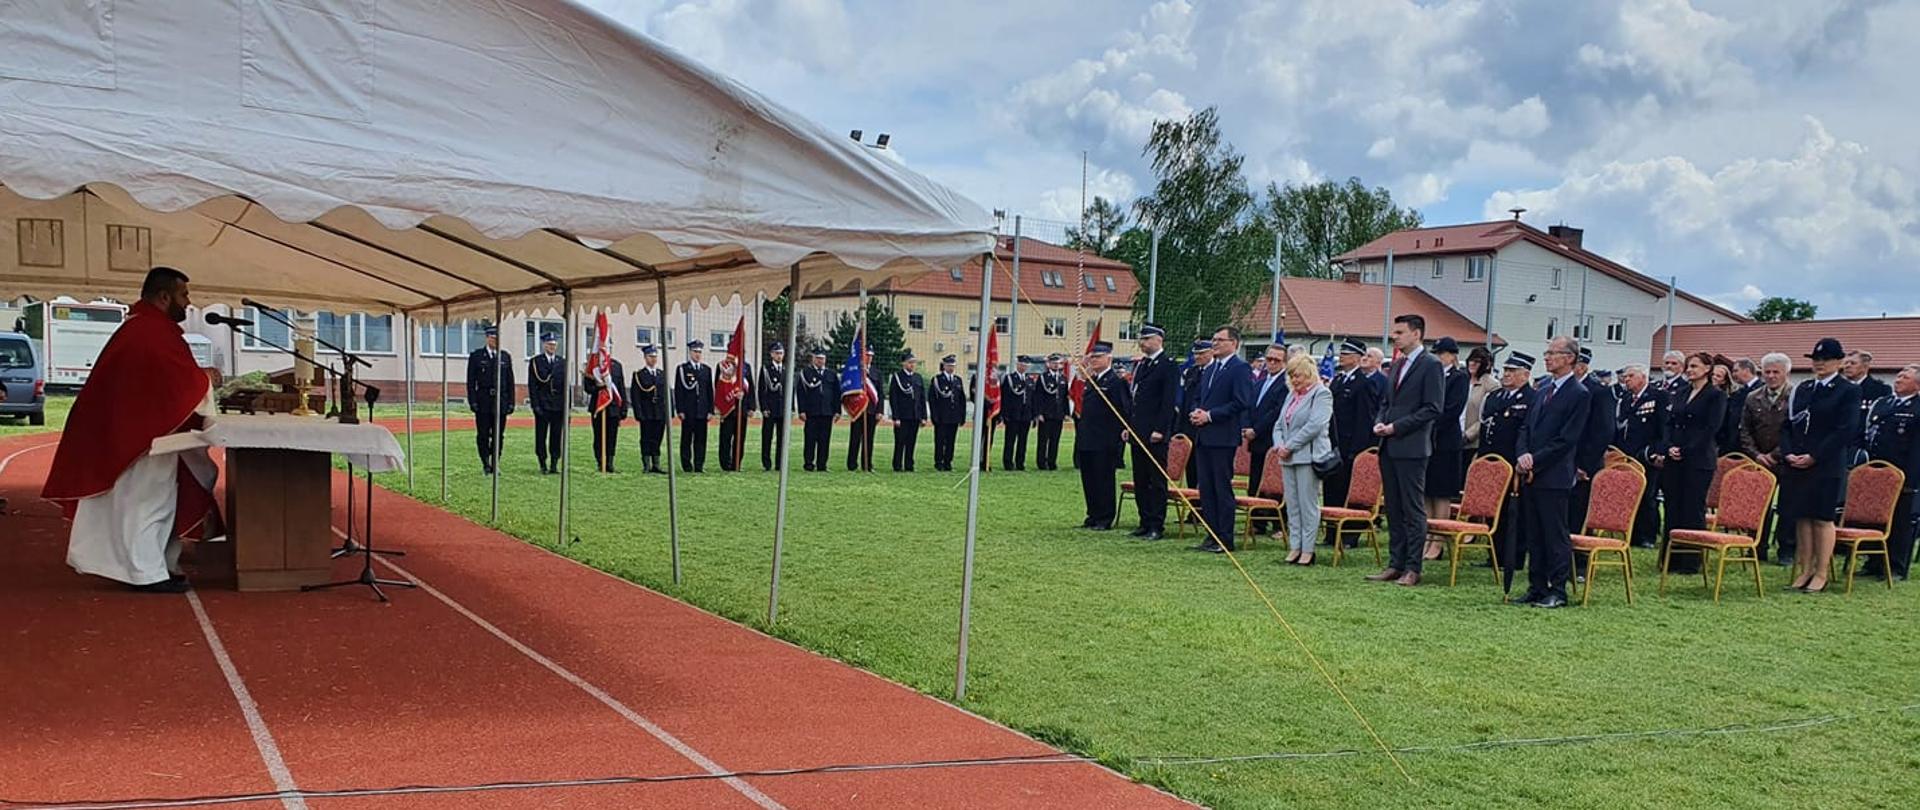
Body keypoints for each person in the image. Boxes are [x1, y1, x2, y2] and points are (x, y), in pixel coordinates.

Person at [44, 267, 220, 593]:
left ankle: (159, 564)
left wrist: (197, 378)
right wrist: (206, 378)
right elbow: (176, 383)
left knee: (156, 499)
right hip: (142, 438)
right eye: (184, 295)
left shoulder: (146, 329)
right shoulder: (150, 333)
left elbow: (166, 380)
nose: (188, 302)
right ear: (164, 296)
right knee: (147, 502)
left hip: (140, 432)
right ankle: (145, 573)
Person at [1512, 336, 1592, 609]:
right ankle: (1536, 586)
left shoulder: (1578, 394)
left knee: (1554, 533)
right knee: (1534, 532)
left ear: (1569, 358)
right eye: (1546, 352)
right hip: (1531, 472)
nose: (1546, 357)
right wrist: (1522, 454)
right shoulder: (1543, 389)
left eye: (1553, 353)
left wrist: (1535, 459)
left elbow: (1567, 439)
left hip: (1554, 474)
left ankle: (1557, 589)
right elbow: (1525, 428)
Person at [1782, 339, 1864, 592]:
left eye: (1825, 359)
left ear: (1838, 362)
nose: (1819, 363)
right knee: (1802, 517)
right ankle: (1805, 569)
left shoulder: (1847, 390)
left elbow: (1845, 429)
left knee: (1822, 517)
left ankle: (1821, 572)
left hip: (1826, 463)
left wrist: (1814, 456)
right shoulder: (1805, 388)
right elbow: (1788, 424)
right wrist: (1789, 452)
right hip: (1798, 462)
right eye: (1816, 359)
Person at [1367, 315, 1444, 585]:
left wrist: (1396, 427)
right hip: (1388, 446)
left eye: (1400, 332)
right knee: (1394, 507)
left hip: (1412, 447)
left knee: (1412, 509)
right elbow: (1386, 403)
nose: (1395, 337)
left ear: (1417, 334)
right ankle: (1395, 563)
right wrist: (1380, 422)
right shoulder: (1397, 365)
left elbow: (1433, 408)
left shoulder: (1431, 365)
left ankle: (1413, 567)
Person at [1661, 351, 1728, 577]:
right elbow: (1669, 422)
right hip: (1675, 456)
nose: (1690, 370)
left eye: (1695, 366)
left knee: (1692, 507)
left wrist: (1686, 450)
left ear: (1707, 369)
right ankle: (1670, 558)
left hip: (1698, 458)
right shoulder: (1681, 392)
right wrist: (1669, 445)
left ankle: (1690, 560)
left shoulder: (1715, 396)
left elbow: (1711, 428)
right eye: (1688, 366)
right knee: (1673, 507)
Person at [1188, 326, 1254, 553]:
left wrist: (1210, 415)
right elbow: (1198, 397)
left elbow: (1241, 401)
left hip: (1223, 437)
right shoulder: (1210, 369)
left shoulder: (1240, 368)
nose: (1214, 343)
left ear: (1233, 343)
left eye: (1219, 340)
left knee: (1220, 488)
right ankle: (1211, 534)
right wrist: (1196, 411)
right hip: (1204, 436)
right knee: (1206, 488)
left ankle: (1225, 538)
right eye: (1213, 340)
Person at [1857, 364, 1918, 582]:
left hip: (1902, 472)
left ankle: (1896, 566)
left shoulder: (1917, 407)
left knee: (1900, 520)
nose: (1899, 379)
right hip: (1876, 470)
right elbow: (1869, 434)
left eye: (1905, 376)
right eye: (1899, 375)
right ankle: (1874, 561)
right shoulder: (1883, 403)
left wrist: (1911, 477)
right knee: (1875, 517)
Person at [1273, 354, 1332, 565]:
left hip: (1308, 456)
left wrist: (1290, 445)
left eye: (1298, 376)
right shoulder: (1291, 395)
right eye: (1292, 376)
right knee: (1293, 505)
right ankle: (1294, 546)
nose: (1295, 380)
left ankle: (1308, 549)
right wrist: (1279, 444)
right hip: (1287, 458)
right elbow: (1279, 424)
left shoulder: (1322, 394)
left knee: (1308, 505)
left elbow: (1314, 426)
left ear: (1309, 374)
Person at [1482, 352, 1537, 576]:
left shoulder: (1531, 398)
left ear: (1525, 374)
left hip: (1514, 463)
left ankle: (1513, 557)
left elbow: (1529, 432)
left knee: (1515, 512)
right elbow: (1487, 426)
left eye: (1512, 371)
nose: (1506, 375)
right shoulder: (1496, 396)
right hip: (1493, 461)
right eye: (1505, 371)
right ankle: (1494, 554)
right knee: (1495, 509)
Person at [1740, 353, 1792, 562]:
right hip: (1759, 459)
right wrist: (1757, 455)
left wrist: (1776, 454)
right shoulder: (1753, 397)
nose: (1771, 376)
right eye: (1767, 372)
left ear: (1786, 372)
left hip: (1786, 460)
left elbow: (1796, 430)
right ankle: (1756, 547)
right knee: (1759, 506)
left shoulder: (1796, 395)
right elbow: (1744, 430)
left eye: (1775, 372)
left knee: (1788, 507)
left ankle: (1786, 550)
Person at [1127, 324, 1178, 540]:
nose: (1142, 343)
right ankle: (1144, 520)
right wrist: (1129, 426)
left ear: (1159, 339)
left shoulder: (1168, 365)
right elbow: (1135, 399)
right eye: (1141, 339)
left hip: (1155, 433)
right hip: (1138, 430)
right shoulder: (1142, 365)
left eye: (1147, 339)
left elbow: (1168, 402)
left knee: (1156, 479)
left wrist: (1160, 429)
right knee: (1140, 478)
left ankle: (1157, 524)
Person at [1075, 342, 1131, 530]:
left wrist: (1120, 432)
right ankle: (1093, 514)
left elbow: (1123, 410)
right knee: (1089, 479)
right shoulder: (1093, 381)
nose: (1094, 360)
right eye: (1092, 357)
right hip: (1087, 438)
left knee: (1103, 479)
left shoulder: (1116, 382)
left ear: (1109, 358)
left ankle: (1105, 517)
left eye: (1098, 357)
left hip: (1105, 439)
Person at [1422, 337, 1468, 560]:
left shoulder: (1458, 377)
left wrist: (1430, 422)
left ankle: (1438, 541)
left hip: (1446, 442)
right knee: (1427, 492)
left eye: (1442, 354)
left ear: (1452, 355)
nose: (1438, 358)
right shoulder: (1433, 375)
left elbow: (1452, 409)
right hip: (1428, 440)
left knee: (1441, 494)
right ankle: (1427, 537)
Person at [1567, 347, 1619, 540]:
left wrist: (1584, 465)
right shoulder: (1563, 388)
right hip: (1563, 461)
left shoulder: (1599, 392)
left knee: (1579, 513)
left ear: (1581, 367)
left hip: (1584, 463)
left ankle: (1579, 560)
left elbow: (1603, 432)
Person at [1615, 364, 1667, 549]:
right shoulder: (1626, 398)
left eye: (1630, 376)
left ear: (1643, 377)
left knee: (1648, 496)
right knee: (1630, 495)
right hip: (1627, 454)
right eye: (1625, 376)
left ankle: (1647, 536)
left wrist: (1658, 451)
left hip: (1647, 454)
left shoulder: (1658, 396)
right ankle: (1631, 532)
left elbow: (1663, 426)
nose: (1626, 379)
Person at [1325, 339, 1378, 510]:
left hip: (1349, 447)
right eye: (1341, 353)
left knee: (1345, 492)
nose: (1341, 356)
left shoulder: (1363, 383)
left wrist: (1356, 451)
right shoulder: (1338, 380)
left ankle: (1344, 533)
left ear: (1356, 358)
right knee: (1330, 490)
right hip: (1334, 443)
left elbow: (1364, 419)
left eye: (1346, 354)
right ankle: (1331, 534)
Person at [1244, 345, 1288, 537]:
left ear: (1284, 362)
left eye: (1276, 360)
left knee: (1276, 485)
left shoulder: (1286, 384)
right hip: (1256, 440)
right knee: (1255, 481)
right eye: (1268, 359)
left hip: (1272, 439)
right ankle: (1258, 522)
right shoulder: (1261, 381)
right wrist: (1246, 426)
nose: (1271, 363)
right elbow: (1250, 406)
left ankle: (1280, 524)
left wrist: (1257, 429)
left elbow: (1277, 412)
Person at [466, 325, 515, 474]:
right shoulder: (477, 356)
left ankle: (495, 462)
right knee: (483, 434)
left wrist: (511, 402)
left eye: (497, 338)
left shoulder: (505, 357)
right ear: (487, 338)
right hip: (483, 401)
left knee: (498, 435)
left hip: (501, 401)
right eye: (493, 338)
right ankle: (485, 462)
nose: (495, 340)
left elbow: (510, 381)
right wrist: (472, 401)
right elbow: (471, 381)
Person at [527, 334, 566, 474]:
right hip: (543, 405)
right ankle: (542, 462)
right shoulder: (536, 362)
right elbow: (532, 385)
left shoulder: (562, 362)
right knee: (541, 435)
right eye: (549, 344)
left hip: (558, 406)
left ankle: (554, 463)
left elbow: (566, 386)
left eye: (554, 345)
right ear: (544, 345)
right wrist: (535, 405)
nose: (552, 347)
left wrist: (566, 406)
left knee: (556, 436)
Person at [582, 353, 626, 473]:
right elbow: (587, 388)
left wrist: (623, 408)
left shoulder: (616, 366)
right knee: (598, 436)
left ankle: (610, 463)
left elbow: (621, 387)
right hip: (598, 406)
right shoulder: (593, 365)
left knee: (612, 436)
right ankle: (601, 462)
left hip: (613, 407)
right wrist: (599, 387)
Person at [1461, 346, 1499, 481]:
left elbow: (1487, 416)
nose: (1472, 364)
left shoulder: (1491, 385)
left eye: (1477, 362)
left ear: (1486, 364)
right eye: (1470, 360)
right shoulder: (1462, 380)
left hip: (1473, 442)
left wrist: (1468, 435)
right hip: (1453, 436)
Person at [676, 340, 714, 472]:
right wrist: (680, 409)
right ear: (690, 352)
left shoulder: (706, 370)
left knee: (701, 440)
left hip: (702, 411)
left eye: (699, 352)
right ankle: (686, 465)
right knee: (686, 439)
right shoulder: (683, 369)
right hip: (688, 410)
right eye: (695, 352)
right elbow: (679, 391)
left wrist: (710, 410)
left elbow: (709, 391)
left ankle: (699, 465)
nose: (698, 354)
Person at [629, 345, 668, 474]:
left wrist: (668, 412)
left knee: (657, 438)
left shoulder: (662, 374)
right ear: (645, 358)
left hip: (659, 413)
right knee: (646, 438)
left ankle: (656, 464)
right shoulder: (639, 375)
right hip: (647, 413)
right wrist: (639, 413)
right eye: (651, 356)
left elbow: (666, 395)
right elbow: (636, 397)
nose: (653, 359)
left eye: (655, 356)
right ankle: (646, 464)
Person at [714, 351, 755, 472]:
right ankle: (725, 464)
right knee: (725, 438)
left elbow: (750, 387)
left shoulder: (746, 367)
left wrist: (751, 406)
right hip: (728, 408)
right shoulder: (722, 366)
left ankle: (737, 463)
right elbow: (718, 386)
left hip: (742, 408)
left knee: (740, 438)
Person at [888, 350, 928, 471]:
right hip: (902, 416)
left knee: (911, 442)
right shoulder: (898, 377)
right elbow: (893, 398)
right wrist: (896, 417)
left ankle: (909, 465)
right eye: (910, 362)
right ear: (904, 363)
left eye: (914, 363)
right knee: (900, 442)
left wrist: (924, 417)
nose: (912, 365)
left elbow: (922, 399)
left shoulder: (918, 378)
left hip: (915, 416)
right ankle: (897, 465)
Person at [798, 348, 836, 471]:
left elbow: (836, 394)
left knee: (824, 440)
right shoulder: (806, 373)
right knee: (810, 439)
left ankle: (822, 465)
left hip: (826, 412)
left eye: (822, 358)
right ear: (813, 358)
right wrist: (801, 410)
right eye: (818, 358)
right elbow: (801, 393)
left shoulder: (831, 374)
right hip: (811, 412)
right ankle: (808, 464)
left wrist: (837, 411)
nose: (820, 361)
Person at [929, 354, 967, 471]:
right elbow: (932, 400)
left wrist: (962, 416)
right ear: (944, 366)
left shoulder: (957, 380)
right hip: (941, 417)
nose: (951, 368)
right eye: (949, 365)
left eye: (953, 366)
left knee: (951, 441)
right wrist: (934, 416)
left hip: (954, 417)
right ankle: (939, 462)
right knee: (940, 440)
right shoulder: (937, 380)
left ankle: (948, 462)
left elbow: (962, 400)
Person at [1032, 354, 1068, 470]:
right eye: (1053, 363)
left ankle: (1052, 462)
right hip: (1046, 414)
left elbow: (1064, 397)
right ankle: (1041, 462)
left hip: (1058, 414)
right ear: (1049, 364)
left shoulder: (1063, 378)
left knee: (1055, 440)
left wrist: (1066, 413)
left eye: (1058, 363)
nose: (1056, 365)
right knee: (1043, 440)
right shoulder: (1043, 378)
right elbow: (1037, 397)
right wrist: (1039, 413)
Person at [847, 349, 880, 472]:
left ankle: (867, 464)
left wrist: (879, 411)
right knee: (855, 438)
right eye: (867, 355)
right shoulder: (855, 370)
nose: (869, 357)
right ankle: (852, 464)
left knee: (869, 439)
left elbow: (879, 393)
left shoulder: (876, 372)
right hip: (858, 409)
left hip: (871, 410)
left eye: (871, 355)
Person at [1719, 358, 1760, 456]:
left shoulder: (1762, 390)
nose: (1733, 375)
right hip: (1734, 446)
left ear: (1746, 370)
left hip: (1754, 447)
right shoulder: (1737, 394)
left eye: (1736, 371)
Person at [998, 360, 1033, 471]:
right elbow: (1005, 397)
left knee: (1023, 440)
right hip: (1013, 415)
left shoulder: (1029, 380)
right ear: (1017, 365)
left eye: (1025, 365)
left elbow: (1032, 399)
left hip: (1026, 415)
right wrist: (1004, 414)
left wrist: (1033, 414)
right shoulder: (1009, 378)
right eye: (1022, 364)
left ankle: (1020, 463)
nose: (1024, 367)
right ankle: (1008, 462)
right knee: (1010, 440)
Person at [759, 342, 787, 471]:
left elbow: (789, 391)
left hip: (782, 409)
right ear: (771, 354)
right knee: (767, 437)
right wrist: (764, 407)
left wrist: (790, 408)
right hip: (770, 409)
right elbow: (762, 390)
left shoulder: (786, 369)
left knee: (782, 438)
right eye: (776, 353)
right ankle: (766, 463)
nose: (779, 356)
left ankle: (779, 463)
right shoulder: (766, 369)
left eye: (781, 353)